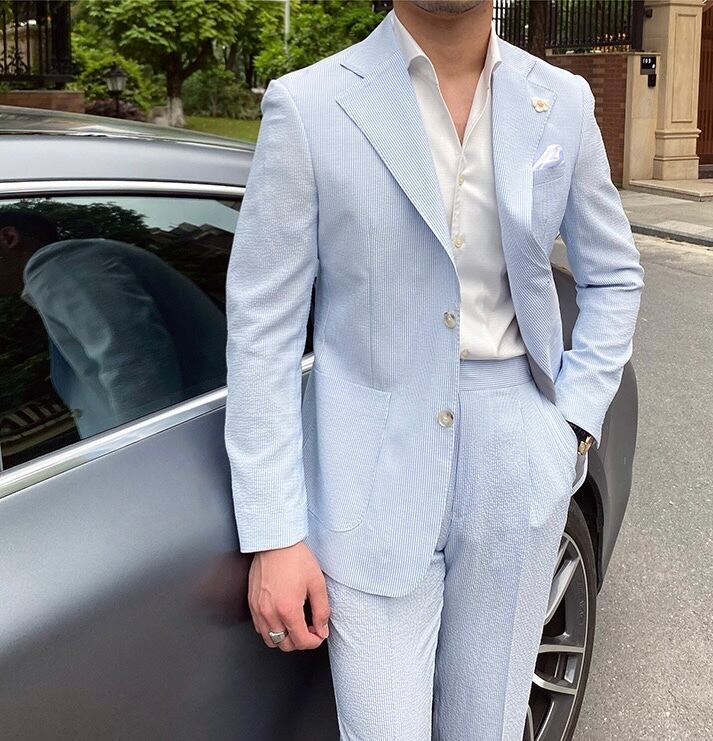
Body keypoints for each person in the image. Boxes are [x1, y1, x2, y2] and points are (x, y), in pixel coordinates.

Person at [224, 2, 645, 739]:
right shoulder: (310, 105)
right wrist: (275, 532)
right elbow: (264, 327)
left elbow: (614, 275)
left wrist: (572, 422)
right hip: (369, 468)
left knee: (491, 725)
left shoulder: (563, 100)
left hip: (517, 449)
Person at [0, 209, 227, 438]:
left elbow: (131, 360)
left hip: (193, 437)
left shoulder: (54, 266)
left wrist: (144, 445)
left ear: (8, 238)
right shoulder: (59, 272)